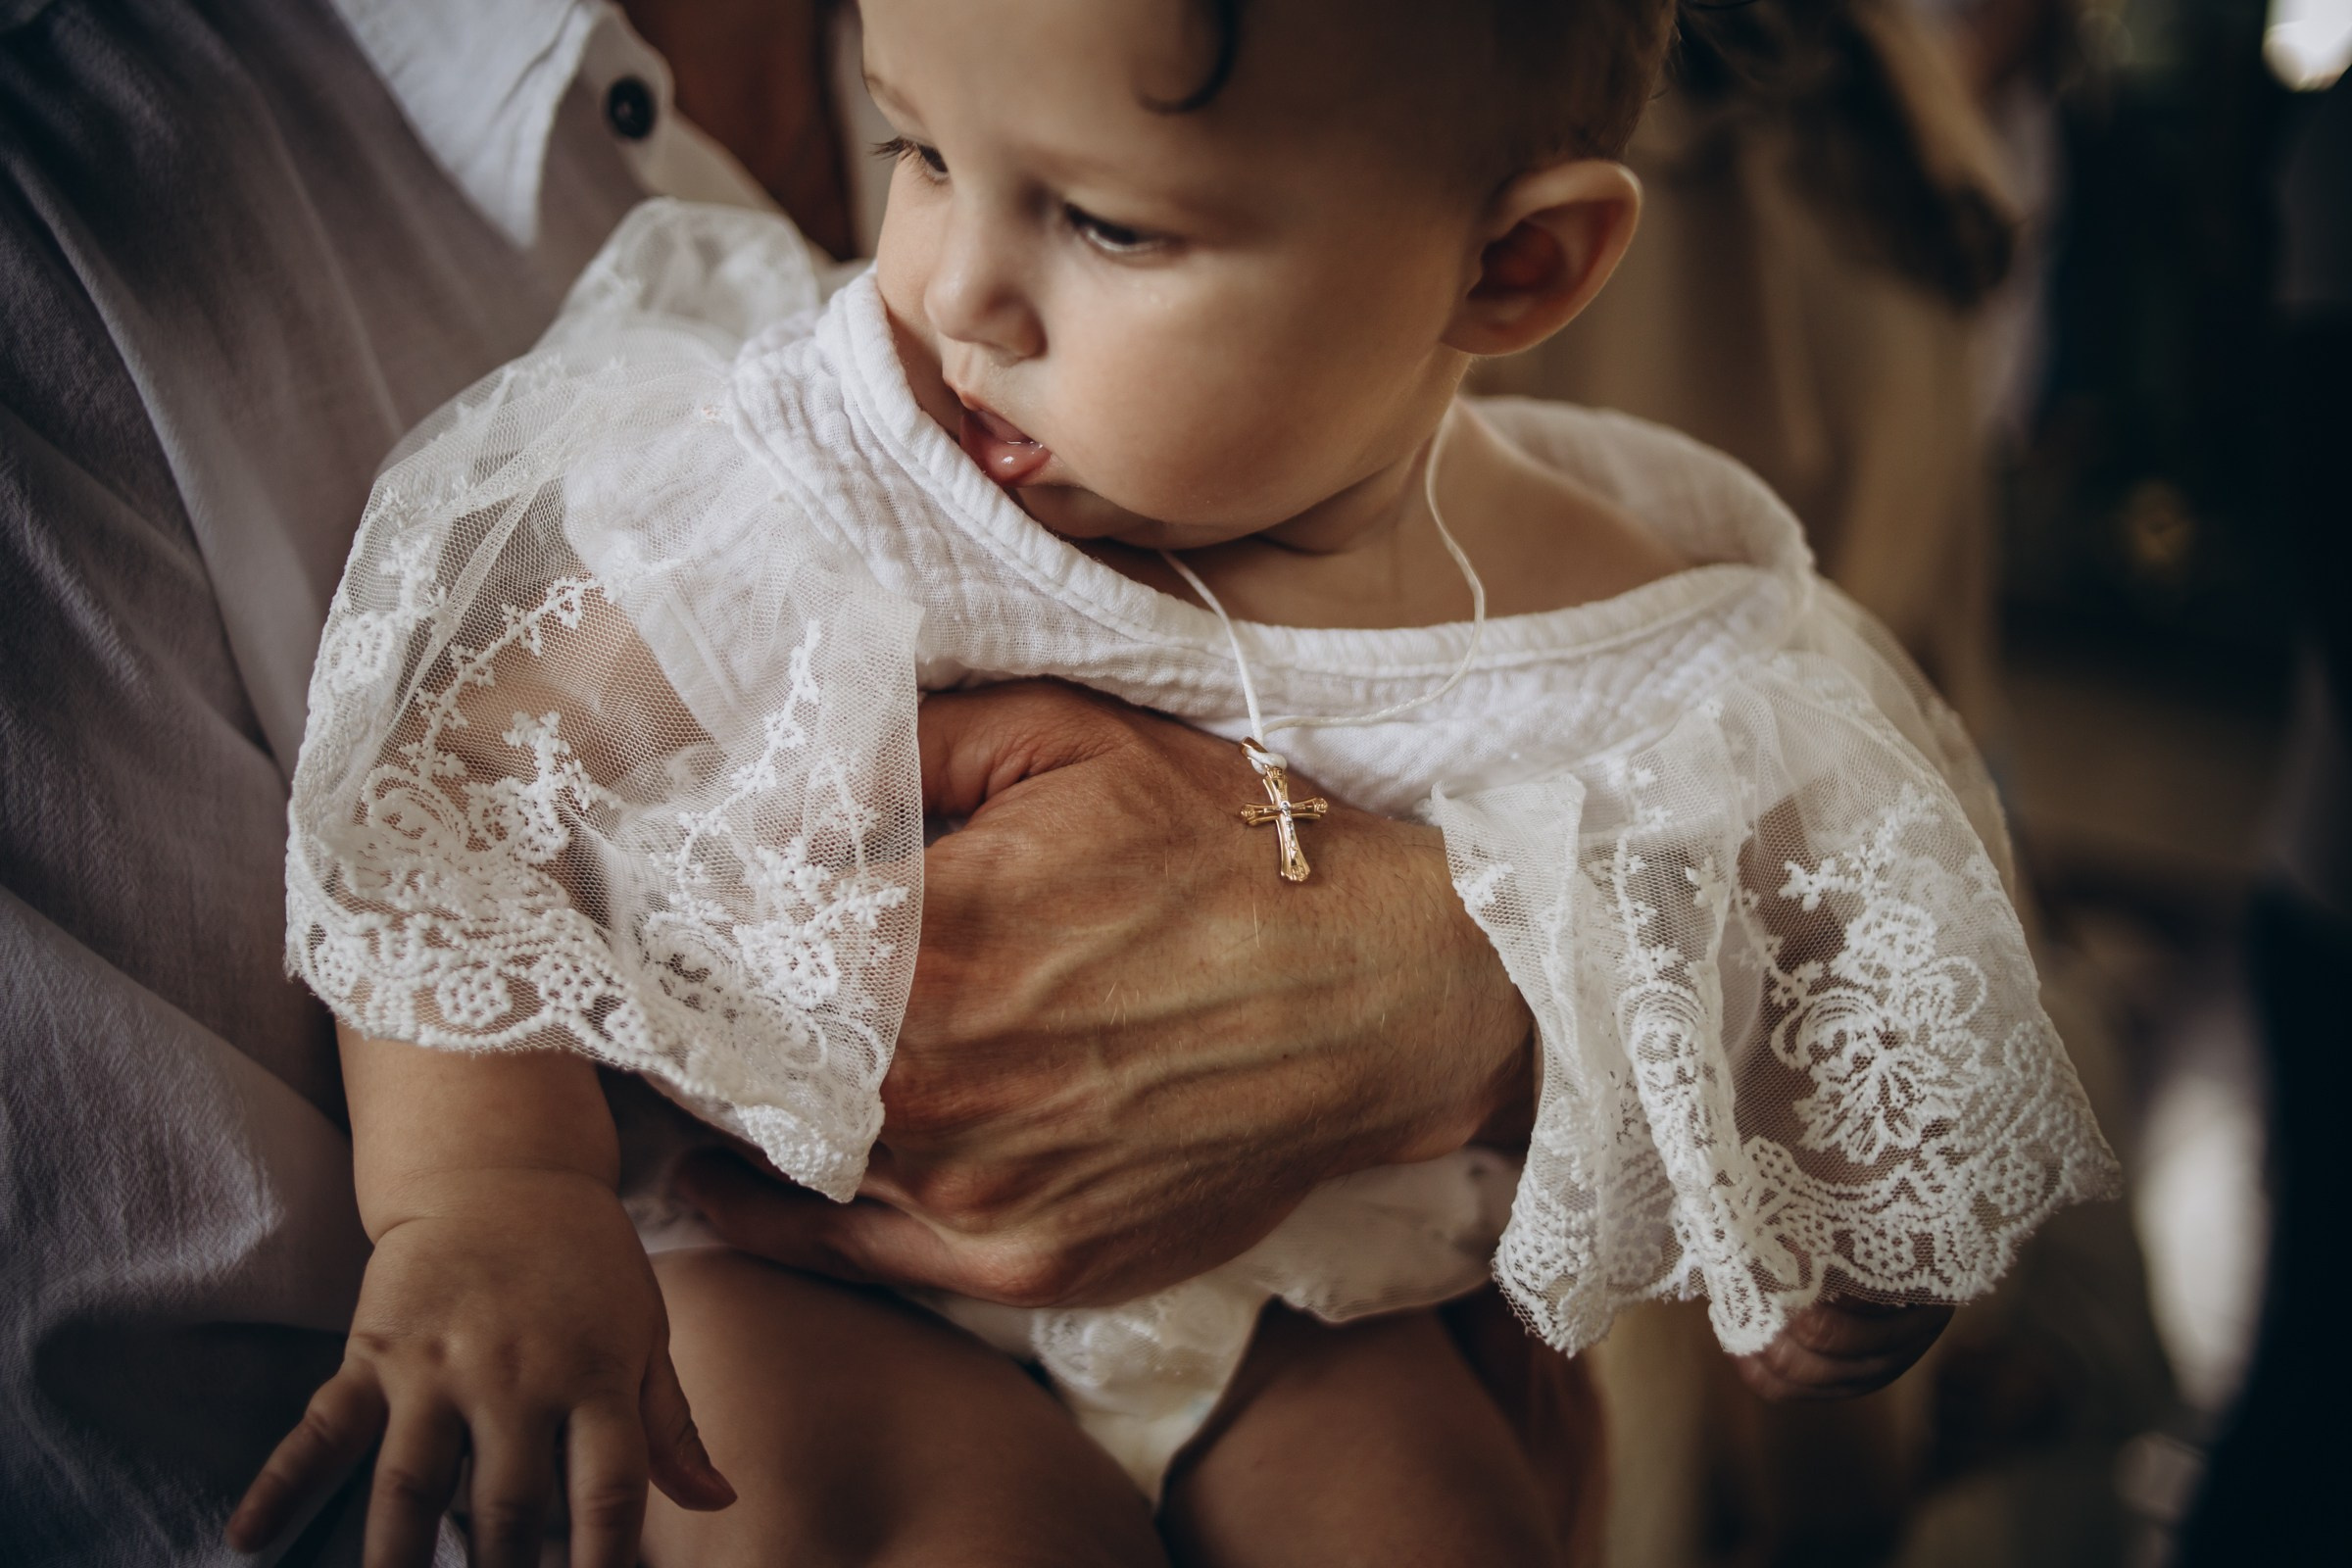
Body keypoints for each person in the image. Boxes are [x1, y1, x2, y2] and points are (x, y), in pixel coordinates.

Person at [221, 1, 2123, 1563]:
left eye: (1110, 227)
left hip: (1313, 1319)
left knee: (1446, 1531)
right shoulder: (830, 458)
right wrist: (491, 1199)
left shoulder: (1634, 618)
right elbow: (467, 796)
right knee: (876, 1510)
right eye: (923, 151)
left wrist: (1850, 1208)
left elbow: (1811, 911)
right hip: (807, 1264)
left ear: (1515, 261)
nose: (960, 287)